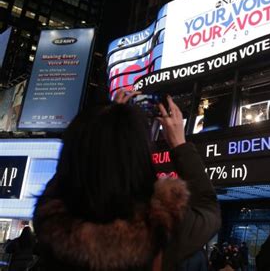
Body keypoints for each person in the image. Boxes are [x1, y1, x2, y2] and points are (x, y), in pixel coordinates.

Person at [32, 91, 221, 270]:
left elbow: (70, 170)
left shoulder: (50, 221)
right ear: (141, 155)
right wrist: (180, 144)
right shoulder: (163, 227)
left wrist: (104, 125)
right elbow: (209, 208)